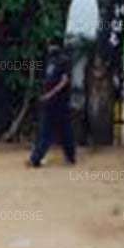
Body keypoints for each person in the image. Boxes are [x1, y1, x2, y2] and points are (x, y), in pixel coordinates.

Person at [29, 39, 76, 167]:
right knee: (48, 130)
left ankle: (69, 156)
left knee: (60, 131)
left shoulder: (64, 61)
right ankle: (36, 158)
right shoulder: (50, 61)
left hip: (60, 102)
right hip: (50, 103)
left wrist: (50, 94)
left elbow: (64, 81)